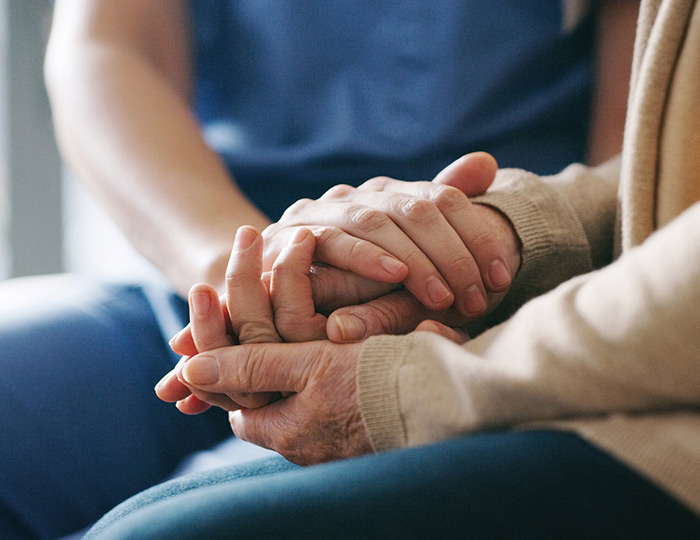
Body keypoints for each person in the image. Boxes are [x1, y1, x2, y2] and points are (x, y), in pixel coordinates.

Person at [0, 1, 638, 539]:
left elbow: (636, 166)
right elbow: (106, 50)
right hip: (196, 278)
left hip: (476, 307)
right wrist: (243, 275)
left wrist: (471, 287)